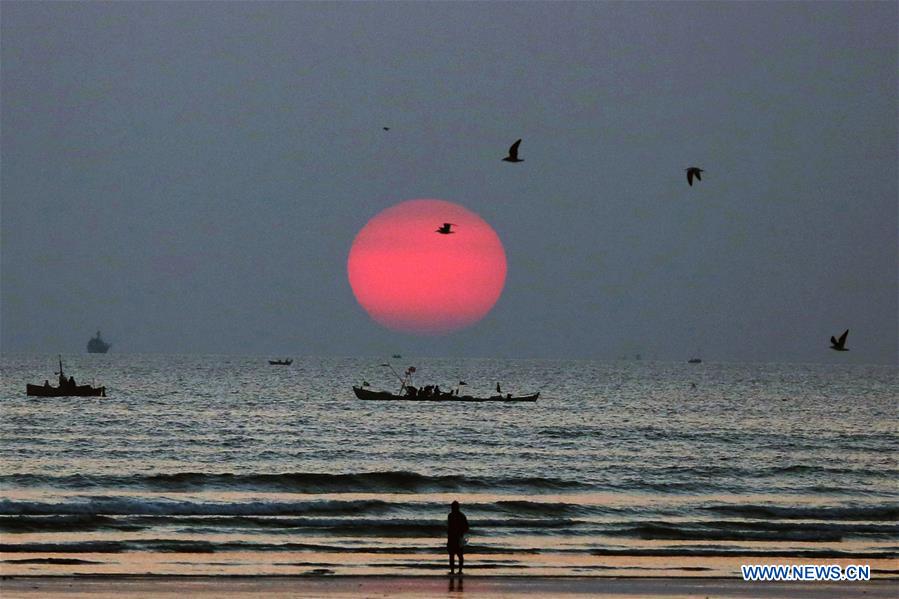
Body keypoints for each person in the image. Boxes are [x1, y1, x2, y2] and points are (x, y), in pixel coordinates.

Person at [447, 500, 469, 576]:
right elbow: (466, 527)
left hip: (455, 537)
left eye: (453, 507)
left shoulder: (451, 515)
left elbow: (466, 527)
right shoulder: (460, 516)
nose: (452, 508)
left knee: (454, 555)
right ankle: (458, 570)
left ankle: (455, 571)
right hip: (456, 537)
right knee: (456, 555)